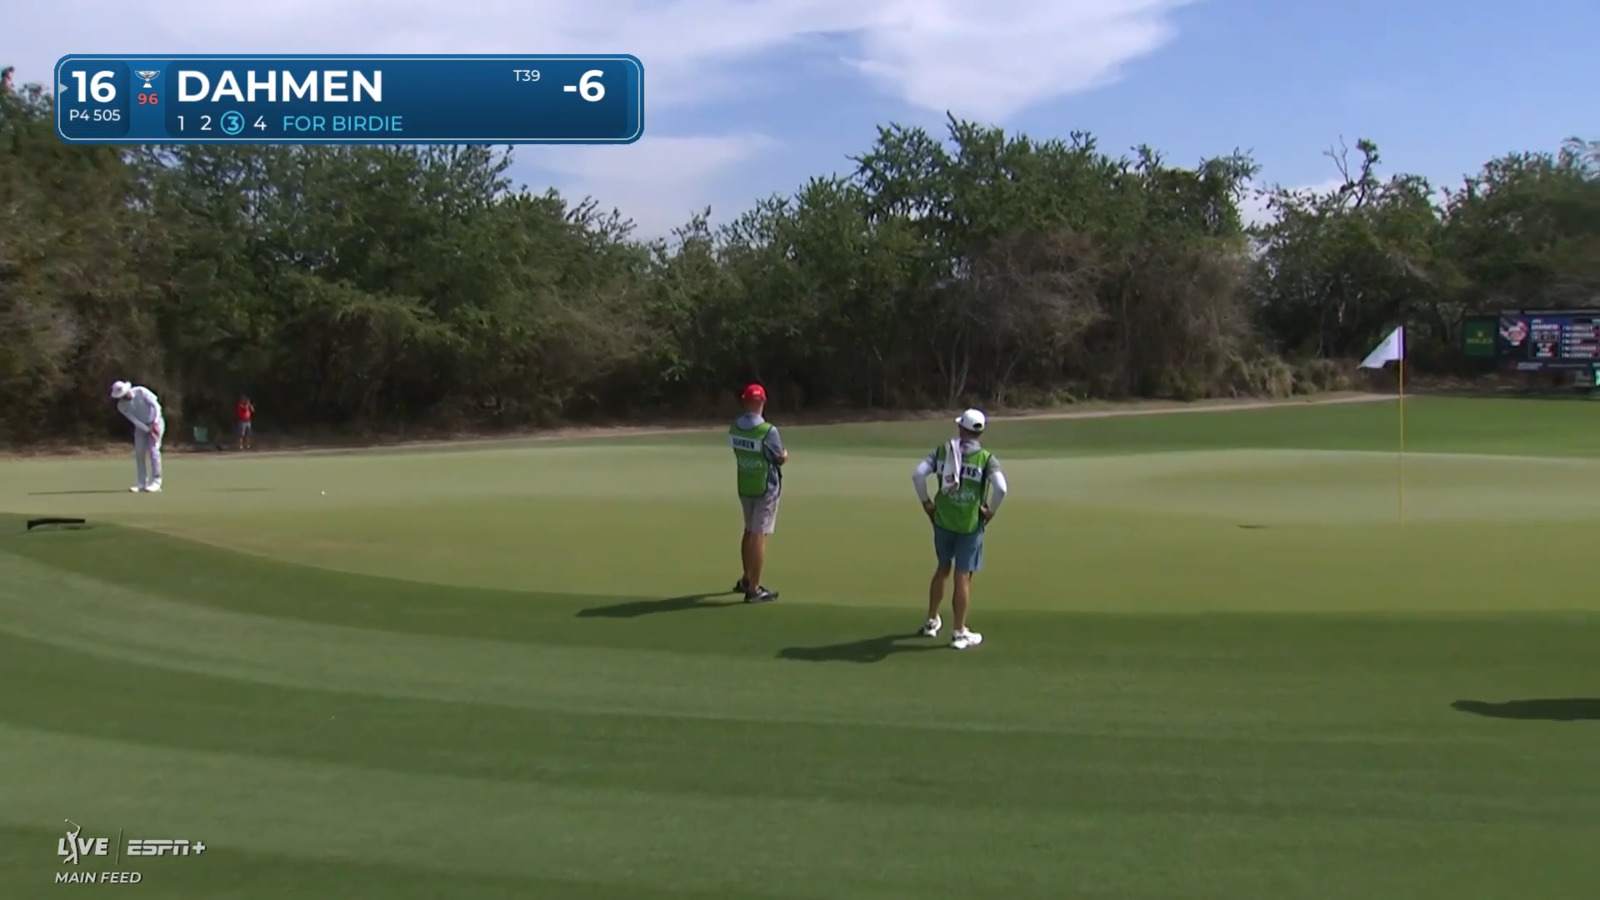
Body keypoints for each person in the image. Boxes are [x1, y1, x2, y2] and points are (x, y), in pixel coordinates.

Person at [912, 408, 1008, 649]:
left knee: (942, 568)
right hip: (969, 525)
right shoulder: (986, 459)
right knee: (963, 575)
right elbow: (1001, 489)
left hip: (942, 521)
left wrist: (926, 503)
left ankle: (932, 621)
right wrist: (991, 511)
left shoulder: (943, 451)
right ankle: (958, 632)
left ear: (961, 428)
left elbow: (918, 475)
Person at [730, 383, 787, 603]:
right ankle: (753, 588)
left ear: (744, 401)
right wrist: (786, 456)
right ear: (762, 401)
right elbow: (778, 457)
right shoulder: (768, 431)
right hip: (766, 486)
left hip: (745, 484)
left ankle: (746, 578)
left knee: (748, 530)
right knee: (759, 534)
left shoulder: (735, 427)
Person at [110, 380, 164, 493]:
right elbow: (134, 420)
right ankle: (141, 483)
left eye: (124, 395)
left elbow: (156, 406)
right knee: (139, 453)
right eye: (121, 396)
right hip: (141, 428)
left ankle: (156, 482)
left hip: (156, 422)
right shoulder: (121, 406)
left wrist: (155, 423)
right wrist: (148, 430)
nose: (124, 398)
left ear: (127, 390)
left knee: (154, 451)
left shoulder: (141, 391)